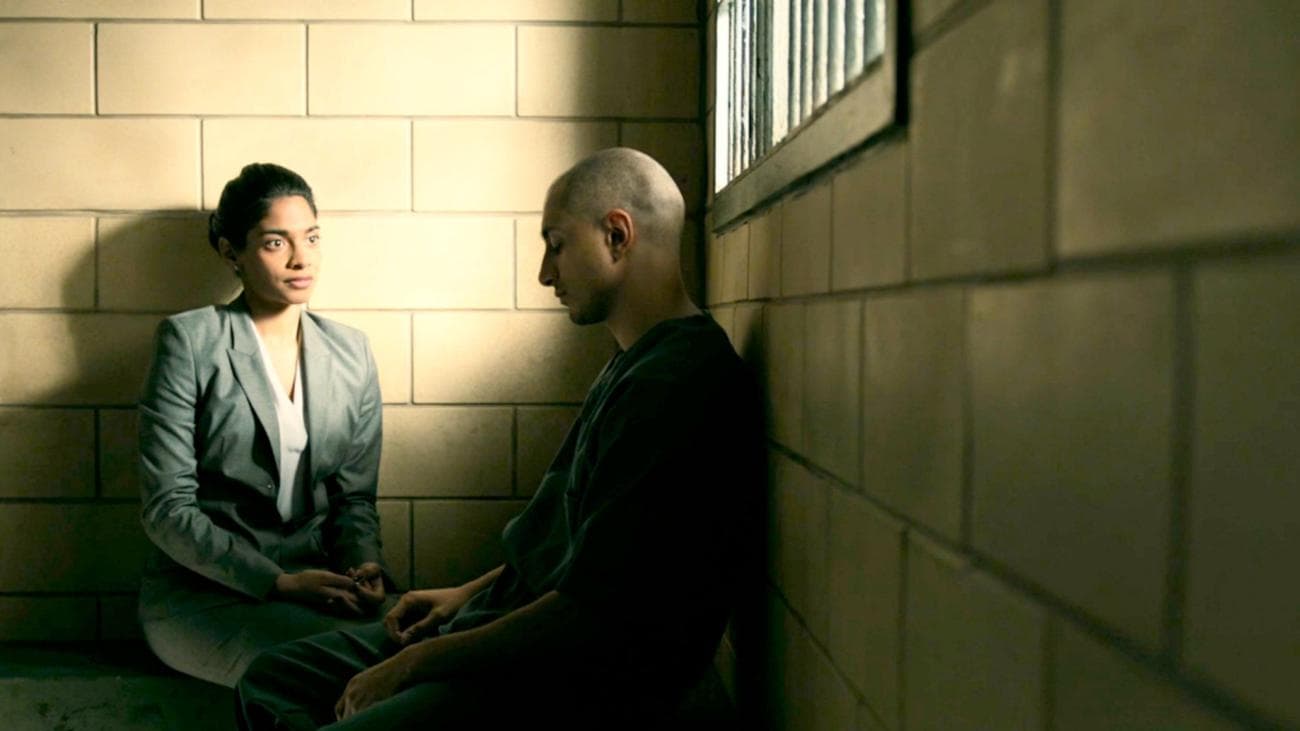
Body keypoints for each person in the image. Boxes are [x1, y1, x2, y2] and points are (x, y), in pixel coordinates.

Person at [234, 147, 764, 729]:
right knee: (270, 679)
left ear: (617, 236)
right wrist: (465, 594)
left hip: (562, 677)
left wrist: (414, 664)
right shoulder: (634, 362)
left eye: (556, 245)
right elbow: (569, 548)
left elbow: (590, 614)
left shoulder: (673, 385)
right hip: (505, 619)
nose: (544, 273)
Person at [138, 163, 393, 688]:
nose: (302, 259)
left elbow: (353, 500)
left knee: (424, 650)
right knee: (332, 670)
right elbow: (167, 510)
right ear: (231, 252)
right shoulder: (190, 342)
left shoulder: (352, 352)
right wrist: (276, 582)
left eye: (312, 238)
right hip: (208, 594)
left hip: (323, 583)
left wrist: (363, 564)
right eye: (276, 242)